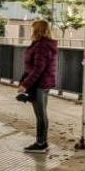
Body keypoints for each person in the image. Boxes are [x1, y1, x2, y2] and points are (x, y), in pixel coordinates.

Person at [18, 20, 58, 154]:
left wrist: (25, 85)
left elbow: (38, 68)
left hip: (40, 84)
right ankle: (43, 142)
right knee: (42, 114)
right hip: (43, 83)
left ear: (37, 30)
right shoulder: (44, 44)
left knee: (40, 115)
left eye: (32, 28)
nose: (31, 31)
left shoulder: (41, 46)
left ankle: (41, 144)